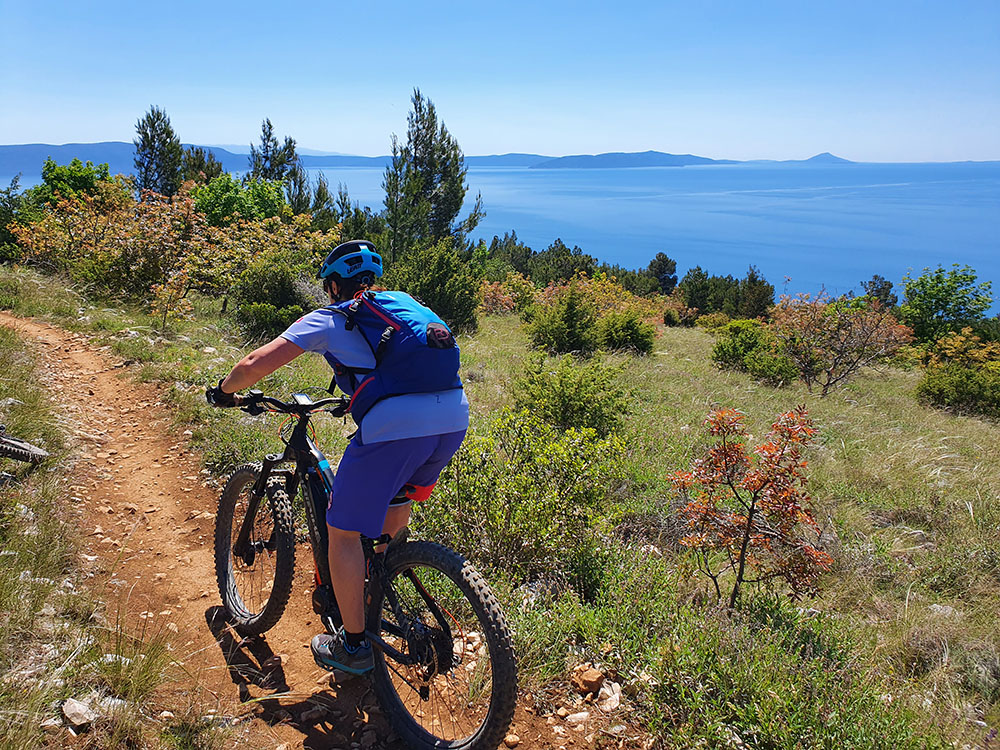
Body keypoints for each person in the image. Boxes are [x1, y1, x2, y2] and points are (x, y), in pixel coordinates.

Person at [206, 240, 468, 674]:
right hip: (452, 418)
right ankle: (378, 586)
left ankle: (354, 645)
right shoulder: (401, 304)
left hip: (396, 425)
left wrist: (225, 391)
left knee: (342, 532)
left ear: (332, 285)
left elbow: (256, 361)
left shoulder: (330, 316)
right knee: (385, 528)